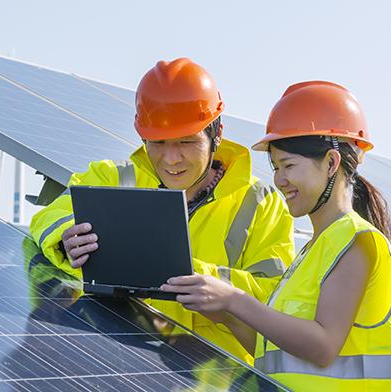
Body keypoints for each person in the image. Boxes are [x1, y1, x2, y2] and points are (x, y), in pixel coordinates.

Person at [28, 58, 295, 363]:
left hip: (215, 375)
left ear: (217, 134)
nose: (171, 159)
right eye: (158, 143)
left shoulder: (261, 203)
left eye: (186, 142)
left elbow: (277, 299)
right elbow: (49, 216)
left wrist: (197, 277)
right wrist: (65, 238)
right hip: (118, 363)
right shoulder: (113, 178)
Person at [161, 81, 391, 390]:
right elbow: (275, 354)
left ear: (331, 163)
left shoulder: (356, 241)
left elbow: (322, 346)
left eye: (288, 165)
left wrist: (234, 299)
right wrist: (223, 312)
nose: (280, 180)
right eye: (276, 167)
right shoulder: (311, 254)